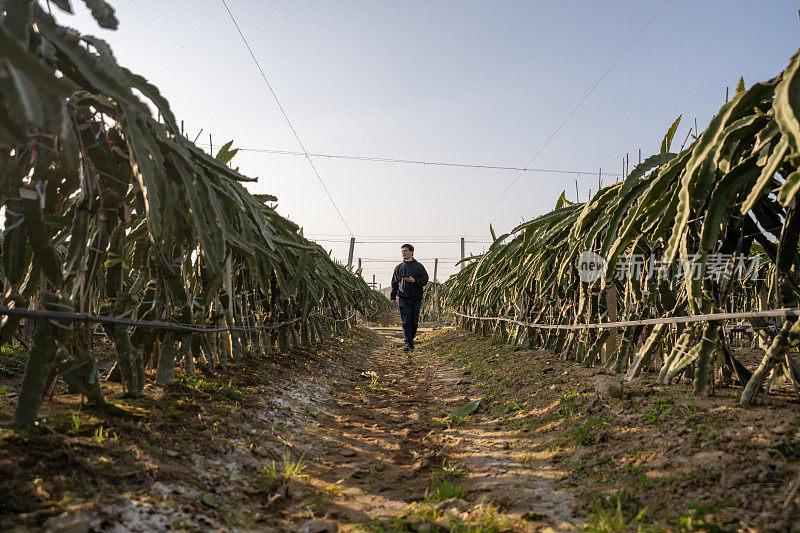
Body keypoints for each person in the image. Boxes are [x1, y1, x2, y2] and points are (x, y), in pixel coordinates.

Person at [390, 244, 429, 351]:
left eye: (406, 251)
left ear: (412, 252)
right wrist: (393, 298)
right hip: (403, 297)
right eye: (402, 251)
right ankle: (408, 342)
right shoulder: (398, 268)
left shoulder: (419, 266)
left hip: (416, 298)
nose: (403, 253)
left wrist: (414, 280)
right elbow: (394, 284)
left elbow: (425, 280)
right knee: (406, 320)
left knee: (414, 321)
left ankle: (411, 340)